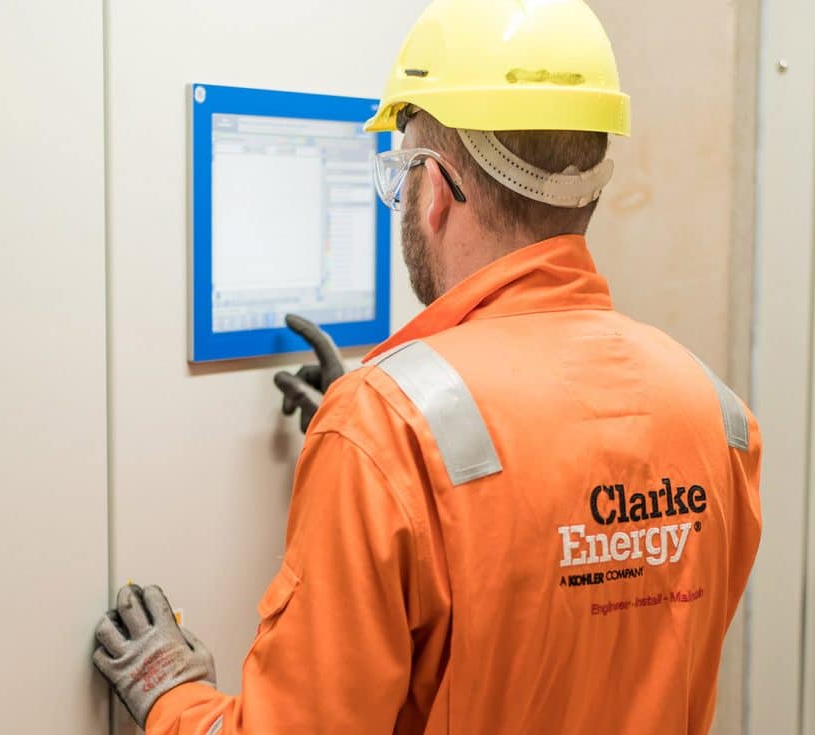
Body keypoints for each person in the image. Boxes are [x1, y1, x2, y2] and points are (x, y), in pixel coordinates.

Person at [92, 0, 763, 732]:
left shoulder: (384, 430)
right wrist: (390, 466)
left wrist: (171, 694)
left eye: (400, 174)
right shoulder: (716, 415)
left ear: (435, 188)